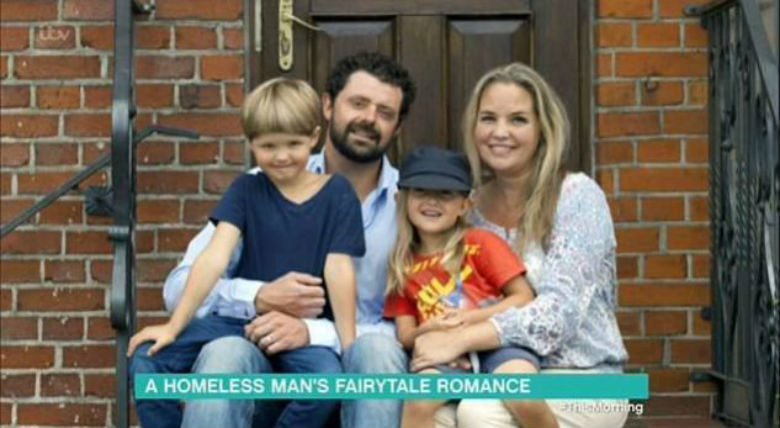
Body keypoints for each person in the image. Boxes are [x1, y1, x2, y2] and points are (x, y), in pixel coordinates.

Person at [159, 52, 416, 428]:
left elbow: (422, 318)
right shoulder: (259, 185)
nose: (369, 119)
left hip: (363, 377)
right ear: (327, 106)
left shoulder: (413, 206)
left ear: (397, 126)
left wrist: (314, 332)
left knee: (377, 351)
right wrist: (258, 297)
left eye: (385, 112)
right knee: (225, 355)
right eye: (358, 103)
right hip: (267, 366)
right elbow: (177, 290)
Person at [128, 78, 364, 428]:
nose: (281, 156)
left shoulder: (337, 193)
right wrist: (173, 327)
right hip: (239, 324)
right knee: (146, 359)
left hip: (301, 330)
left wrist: (348, 347)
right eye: (268, 146)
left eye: (293, 144)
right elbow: (214, 257)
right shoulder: (247, 188)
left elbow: (339, 269)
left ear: (314, 137)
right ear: (251, 143)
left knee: (326, 384)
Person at [410, 63, 629, 428]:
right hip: (490, 367)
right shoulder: (467, 210)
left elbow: (559, 313)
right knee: (425, 413)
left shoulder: (577, 197)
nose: (500, 132)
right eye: (488, 118)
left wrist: (464, 338)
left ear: (543, 129)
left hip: (583, 374)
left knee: (479, 413)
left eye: (518, 120)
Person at [383, 146, 559, 428]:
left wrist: (470, 319)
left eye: (445, 194)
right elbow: (405, 336)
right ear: (400, 199)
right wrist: (429, 329)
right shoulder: (400, 265)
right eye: (420, 191)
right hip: (442, 355)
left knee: (524, 395)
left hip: (498, 344)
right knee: (417, 400)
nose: (432, 201)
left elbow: (524, 297)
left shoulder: (481, 242)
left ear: (465, 205)